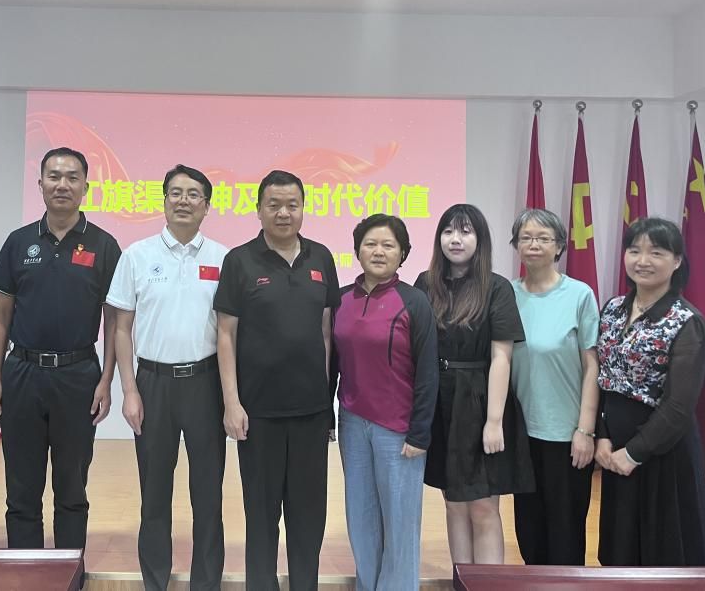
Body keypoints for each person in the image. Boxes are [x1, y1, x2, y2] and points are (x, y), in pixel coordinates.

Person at [0, 147, 121, 549]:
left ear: (86, 186)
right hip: (22, 373)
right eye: (54, 176)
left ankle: (69, 571)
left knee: (72, 488)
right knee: (21, 489)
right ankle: (25, 573)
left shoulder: (104, 245)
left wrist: (106, 380)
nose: (63, 184)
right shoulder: (19, 242)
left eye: (72, 177)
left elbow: (115, 320)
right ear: (40, 183)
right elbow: (0, 314)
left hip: (78, 375)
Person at [214, 169, 340, 591]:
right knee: (262, 516)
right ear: (259, 209)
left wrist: (326, 402)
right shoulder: (239, 260)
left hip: (310, 413)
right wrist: (232, 402)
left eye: (292, 205)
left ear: (303, 209)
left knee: (308, 518)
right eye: (274, 205)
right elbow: (226, 334)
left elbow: (326, 332)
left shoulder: (321, 258)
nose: (283, 213)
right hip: (258, 413)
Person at [106, 164, 229, 591]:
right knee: (154, 492)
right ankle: (154, 581)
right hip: (153, 384)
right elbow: (121, 328)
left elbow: (231, 331)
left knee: (208, 495)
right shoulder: (136, 256)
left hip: (206, 384)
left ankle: (206, 583)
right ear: (163, 200)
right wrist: (129, 390)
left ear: (206, 206)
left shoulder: (223, 258)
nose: (183, 201)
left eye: (193, 194)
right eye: (175, 193)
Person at [414, 203, 532, 565]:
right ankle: (461, 582)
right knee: (453, 503)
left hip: (480, 401)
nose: (456, 239)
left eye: (465, 231)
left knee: (482, 506)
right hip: (440, 401)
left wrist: (494, 421)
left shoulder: (496, 288)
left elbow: (502, 358)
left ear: (480, 240)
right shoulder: (425, 283)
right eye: (448, 231)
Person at [595, 216, 705, 566]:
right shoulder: (613, 309)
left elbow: (678, 406)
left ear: (677, 261)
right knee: (621, 550)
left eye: (656, 252)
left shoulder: (686, 321)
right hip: (614, 450)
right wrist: (603, 436)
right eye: (634, 250)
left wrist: (633, 454)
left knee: (664, 553)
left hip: (662, 453)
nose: (642, 260)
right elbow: (604, 378)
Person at [332, 214, 438, 591]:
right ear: (357, 250)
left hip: (399, 429)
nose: (379, 251)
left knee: (400, 521)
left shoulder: (414, 301)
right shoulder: (340, 299)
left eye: (388, 245)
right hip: (352, 422)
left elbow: (428, 372)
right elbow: (330, 362)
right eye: (371, 244)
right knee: (361, 518)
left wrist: (420, 432)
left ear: (403, 253)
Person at [508, 208, 598, 565]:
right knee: (528, 530)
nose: (534, 245)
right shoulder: (506, 294)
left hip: (566, 434)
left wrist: (585, 431)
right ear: (516, 245)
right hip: (521, 434)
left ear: (559, 246)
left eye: (543, 238)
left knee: (565, 531)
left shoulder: (579, 295)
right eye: (526, 238)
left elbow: (592, 366)